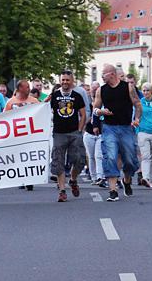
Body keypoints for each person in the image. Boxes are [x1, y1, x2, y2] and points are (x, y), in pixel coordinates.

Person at [93, 63, 142, 202]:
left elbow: (138, 104)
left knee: (130, 160)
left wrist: (137, 118)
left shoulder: (127, 87)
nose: (102, 76)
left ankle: (126, 181)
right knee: (110, 157)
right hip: (109, 128)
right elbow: (95, 108)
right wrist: (100, 112)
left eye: (104, 74)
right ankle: (113, 190)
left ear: (112, 74)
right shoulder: (101, 90)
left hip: (126, 127)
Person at [50, 71, 86, 202]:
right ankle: (62, 190)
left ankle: (73, 179)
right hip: (59, 133)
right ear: (60, 80)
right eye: (63, 80)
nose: (65, 82)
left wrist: (79, 130)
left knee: (78, 160)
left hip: (73, 133)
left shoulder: (77, 96)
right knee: (58, 161)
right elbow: (44, 109)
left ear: (72, 81)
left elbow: (83, 114)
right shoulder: (54, 95)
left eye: (67, 80)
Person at [4, 79, 40, 190]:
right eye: (27, 87)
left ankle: (30, 180)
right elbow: (4, 118)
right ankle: (22, 178)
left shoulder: (33, 101)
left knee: (30, 156)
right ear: (20, 88)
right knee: (20, 157)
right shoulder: (11, 102)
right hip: (17, 135)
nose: (29, 89)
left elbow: (41, 112)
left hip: (30, 134)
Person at [84, 81, 105, 186]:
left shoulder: (103, 101)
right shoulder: (86, 102)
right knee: (91, 156)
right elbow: (83, 117)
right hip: (89, 133)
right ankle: (93, 177)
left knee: (98, 156)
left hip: (100, 133)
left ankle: (100, 176)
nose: (95, 90)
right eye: (93, 88)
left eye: (97, 88)